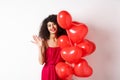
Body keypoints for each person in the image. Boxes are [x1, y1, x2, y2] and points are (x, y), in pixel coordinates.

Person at [32, 14, 67, 80]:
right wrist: (40, 47)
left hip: (61, 71)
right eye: (49, 25)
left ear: (58, 25)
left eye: (54, 24)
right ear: (46, 28)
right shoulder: (44, 42)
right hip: (48, 72)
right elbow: (41, 62)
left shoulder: (64, 40)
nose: (52, 27)